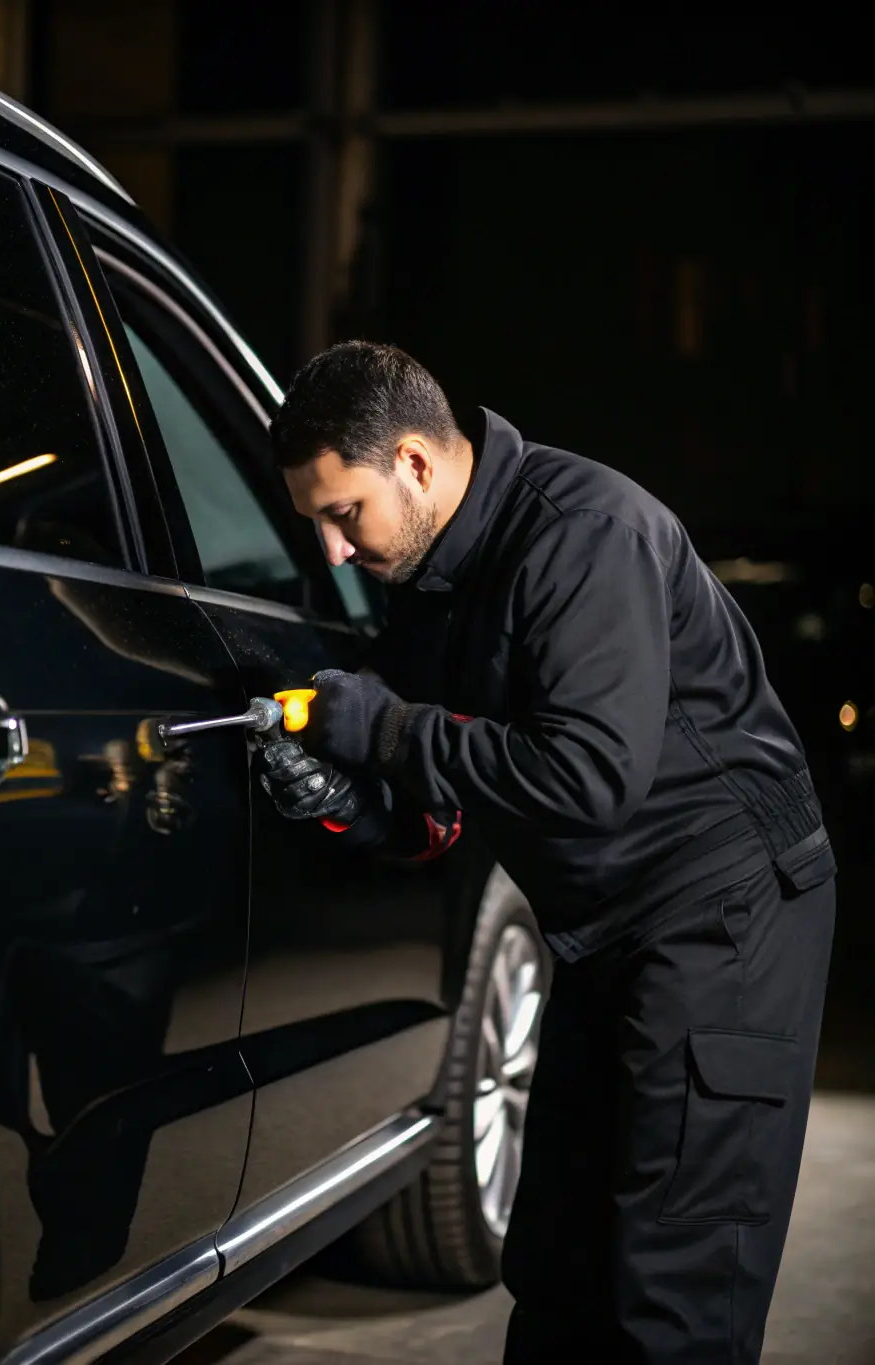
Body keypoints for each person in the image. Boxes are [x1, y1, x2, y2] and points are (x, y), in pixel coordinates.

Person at [255, 341, 836, 1365]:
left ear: (414, 462)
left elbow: (585, 780)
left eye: (345, 514)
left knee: (672, 1295)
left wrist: (383, 731)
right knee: (559, 1271)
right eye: (317, 524)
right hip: (604, 931)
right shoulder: (432, 576)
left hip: (723, 919)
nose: (334, 551)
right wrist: (353, 804)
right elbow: (444, 795)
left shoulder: (584, 534)